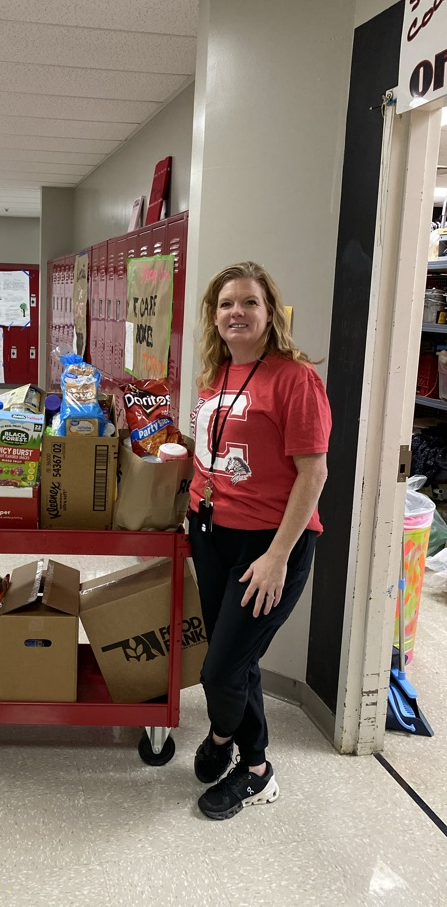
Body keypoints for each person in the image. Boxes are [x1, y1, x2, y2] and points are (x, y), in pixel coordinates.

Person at [188, 261, 331, 820]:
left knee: (220, 670)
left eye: (248, 302)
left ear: (270, 313)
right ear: (214, 316)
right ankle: (230, 745)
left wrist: (278, 556)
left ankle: (256, 769)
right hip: (210, 534)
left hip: (267, 546)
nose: (236, 313)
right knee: (237, 658)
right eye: (226, 304)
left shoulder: (295, 379)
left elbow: (313, 475)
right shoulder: (215, 374)